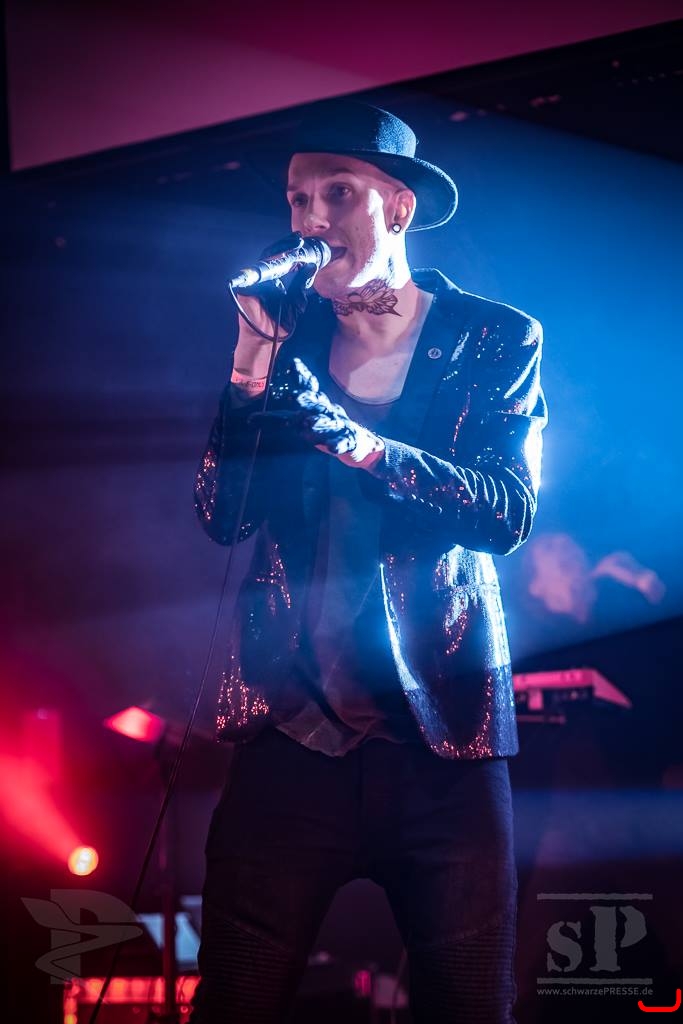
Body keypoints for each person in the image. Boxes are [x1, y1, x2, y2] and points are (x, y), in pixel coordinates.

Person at [191, 100, 547, 1023]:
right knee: (234, 1001)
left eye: (337, 194)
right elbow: (223, 516)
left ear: (398, 205)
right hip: (289, 733)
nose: (310, 219)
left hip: (443, 738)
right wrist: (250, 360)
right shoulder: (287, 338)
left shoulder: (493, 335)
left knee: (470, 1006)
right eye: (296, 198)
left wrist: (360, 444)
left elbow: (504, 512)